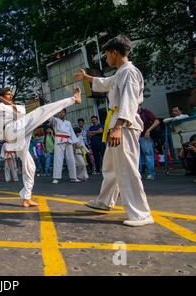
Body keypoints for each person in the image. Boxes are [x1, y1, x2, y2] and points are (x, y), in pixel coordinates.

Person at [74, 34, 154, 227]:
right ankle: (105, 201)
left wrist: (118, 127)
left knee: (126, 169)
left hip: (123, 125)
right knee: (110, 167)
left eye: (107, 54)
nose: (105, 58)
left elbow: (129, 101)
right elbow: (106, 83)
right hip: (116, 124)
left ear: (115, 52)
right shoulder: (120, 73)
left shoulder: (130, 72)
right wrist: (87, 77)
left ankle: (141, 213)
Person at [0, 87, 81, 207]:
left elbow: (23, 113)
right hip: (11, 130)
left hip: (20, 136)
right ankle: (73, 99)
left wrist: (9, 103)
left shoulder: (14, 106)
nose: (11, 96)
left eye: (11, 94)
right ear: (1, 96)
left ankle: (26, 198)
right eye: (8, 94)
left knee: (30, 167)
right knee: (41, 111)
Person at [50, 109, 80, 184]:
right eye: (59, 112)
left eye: (62, 112)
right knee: (58, 159)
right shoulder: (55, 120)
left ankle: (73, 177)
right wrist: (52, 110)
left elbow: (72, 132)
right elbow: (50, 118)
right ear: (57, 113)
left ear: (65, 113)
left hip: (68, 140)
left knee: (71, 159)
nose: (61, 114)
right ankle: (56, 177)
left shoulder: (68, 122)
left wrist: (75, 143)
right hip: (59, 140)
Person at [138, 105, 160, 180]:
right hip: (135, 137)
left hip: (145, 136)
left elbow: (156, 121)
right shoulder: (131, 113)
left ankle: (151, 173)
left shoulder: (145, 111)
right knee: (137, 156)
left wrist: (148, 130)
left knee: (148, 154)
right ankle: (138, 173)